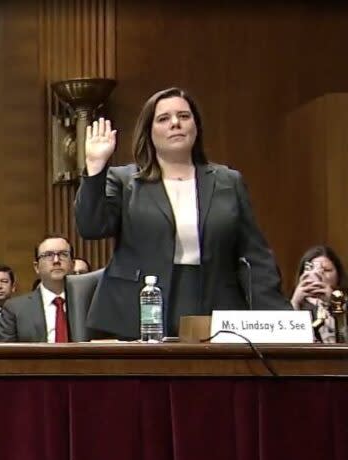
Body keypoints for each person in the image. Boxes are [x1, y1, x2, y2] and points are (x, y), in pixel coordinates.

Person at [75, 87, 289, 339]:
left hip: (214, 305)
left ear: (196, 126)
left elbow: (255, 255)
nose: (175, 123)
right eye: (163, 119)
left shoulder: (228, 182)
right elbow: (90, 227)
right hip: (137, 311)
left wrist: (281, 320)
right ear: (149, 131)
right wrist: (95, 168)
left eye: (184, 116)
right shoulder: (125, 181)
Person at [2, 235, 84, 343]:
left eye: (63, 254)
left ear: (72, 264)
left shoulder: (88, 304)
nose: (56, 260)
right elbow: (4, 356)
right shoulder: (15, 309)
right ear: (36, 267)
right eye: (48, 255)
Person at [290, 246, 344, 343]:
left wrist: (334, 303)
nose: (319, 274)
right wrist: (295, 303)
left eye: (326, 270)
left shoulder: (344, 304)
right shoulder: (290, 303)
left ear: (338, 276)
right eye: (310, 269)